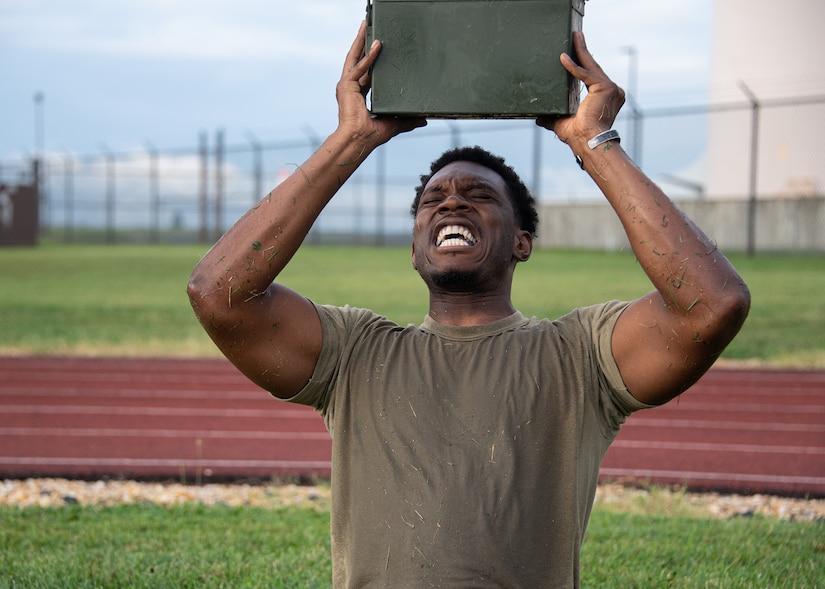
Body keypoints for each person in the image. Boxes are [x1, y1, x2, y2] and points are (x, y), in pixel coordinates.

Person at [188, 21, 750, 588]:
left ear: (521, 242)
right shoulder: (355, 354)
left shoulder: (582, 355)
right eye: (433, 200)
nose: (451, 201)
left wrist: (591, 140)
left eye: (479, 197)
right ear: (414, 249)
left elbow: (711, 305)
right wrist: (352, 138)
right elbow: (219, 294)